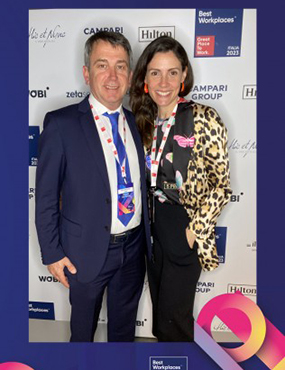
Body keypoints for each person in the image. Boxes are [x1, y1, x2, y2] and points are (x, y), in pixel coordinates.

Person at [35, 31, 151, 342]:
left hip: (134, 247)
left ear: (130, 73)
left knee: (123, 332)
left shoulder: (137, 123)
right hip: (83, 251)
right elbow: (45, 197)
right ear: (87, 73)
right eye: (102, 65)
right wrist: (52, 253)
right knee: (83, 333)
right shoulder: (61, 125)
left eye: (121, 66)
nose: (112, 76)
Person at [130, 36, 232, 342]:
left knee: (175, 322)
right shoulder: (142, 119)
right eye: (155, 72)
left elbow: (221, 187)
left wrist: (192, 232)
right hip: (149, 229)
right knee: (162, 320)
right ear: (145, 77)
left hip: (182, 227)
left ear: (184, 75)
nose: (164, 82)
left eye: (172, 72)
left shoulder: (203, 118)